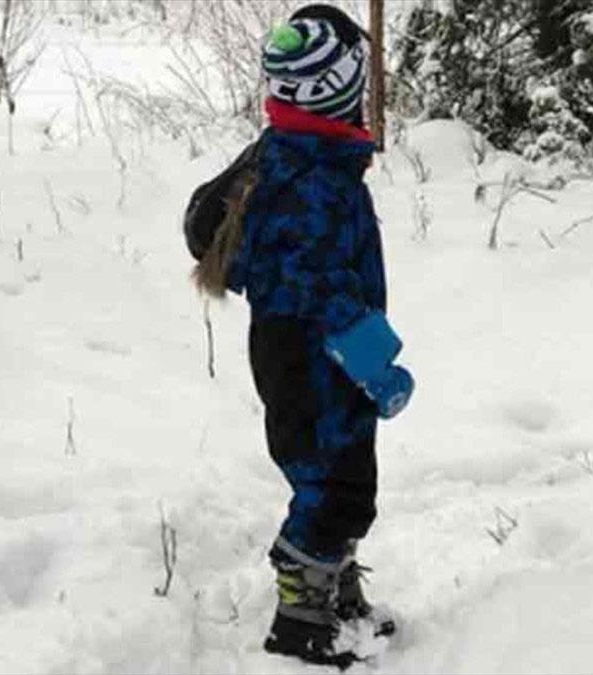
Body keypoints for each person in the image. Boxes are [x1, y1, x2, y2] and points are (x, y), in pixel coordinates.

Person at [209, 4, 415, 667]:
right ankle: (301, 616)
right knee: (337, 488)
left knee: (339, 474)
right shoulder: (317, 184)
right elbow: (323, 293)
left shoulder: (289, 155)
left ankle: (336, 592)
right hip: (312, 355)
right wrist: (376, 365)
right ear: (341, 92)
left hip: (295, 348)